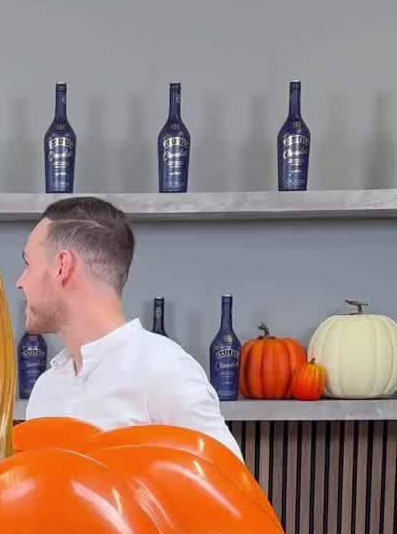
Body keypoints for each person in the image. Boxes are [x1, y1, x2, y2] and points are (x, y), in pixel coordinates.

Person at [16, 194, 243, 459]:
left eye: (28, 265)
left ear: (62, 267)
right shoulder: (46, 389)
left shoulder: (165, 373)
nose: (20, 282)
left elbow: (230, 488)